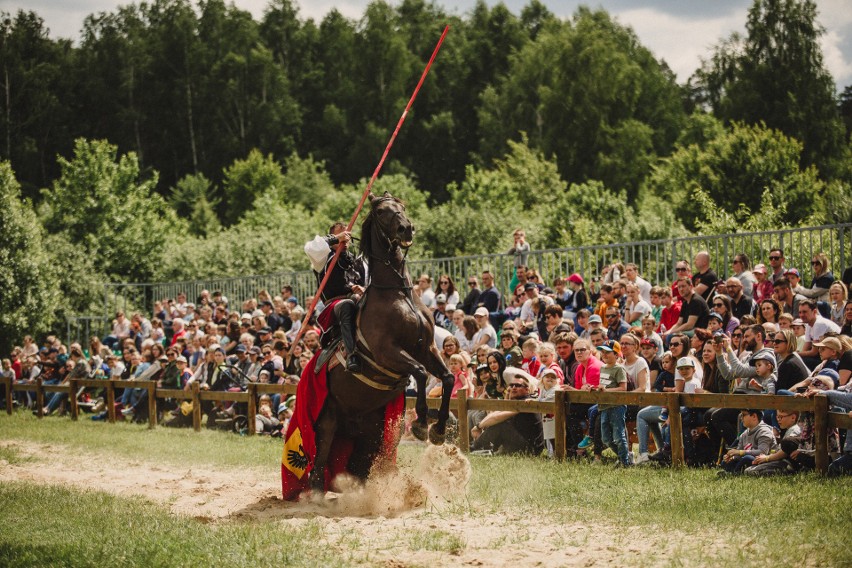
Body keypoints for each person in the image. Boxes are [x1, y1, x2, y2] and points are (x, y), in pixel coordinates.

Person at [304, 222, 366, 373]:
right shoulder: (323, 258)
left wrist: (362, 289)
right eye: (341, 237)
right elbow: (309, 247)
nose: (345, 240)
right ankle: (352, 355)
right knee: (347, 305)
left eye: (347, 237)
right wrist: (336, 238)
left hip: (357, 298)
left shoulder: (355, 260)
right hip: (334, 304)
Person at [470, 374, 544, 455]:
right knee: (499, 423)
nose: (513, 388)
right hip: (523, 443)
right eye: (511, 385)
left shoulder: (526, 402)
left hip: (531, 450)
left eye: (518, 385)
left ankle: (473, 448)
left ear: (527, 390)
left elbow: (496, 418)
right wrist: (478, 426)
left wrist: (478, 426)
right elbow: (495, 414)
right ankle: (481, 448)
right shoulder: (516, 402)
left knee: (501, 424)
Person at [592, 340, 630, 467]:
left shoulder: (619, 369)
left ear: (616, 354)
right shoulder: (603, 367)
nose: (604, 354)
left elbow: (623, 388)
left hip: (616, 407)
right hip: (604, 406)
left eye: (607, 352)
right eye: (602, 352)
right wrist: (596, 388)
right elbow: (604, 386)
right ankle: (624, 456)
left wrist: (606, 390)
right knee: (606, 439)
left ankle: (625, 462)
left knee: (619, 436)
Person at [718, 409, 776, 476]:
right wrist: (732, 457)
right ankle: (733, 472)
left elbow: (763, 452)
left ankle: (733, 473)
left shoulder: (765, 431)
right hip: (749, 461)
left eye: (743, 415)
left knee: (748, 458)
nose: (741, 417)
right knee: (725, 462)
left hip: (764, 462)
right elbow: (739, 452)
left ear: (754, 416)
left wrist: (740, 452)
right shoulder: (745, 433)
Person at [744, 410, 802, 476]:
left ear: (793, 418)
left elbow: (784, 452)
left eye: (781, 417)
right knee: (749, 469)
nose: (778, 420)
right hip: (780, 461)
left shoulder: (794, 430)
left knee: (750, 471)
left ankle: (786, 471)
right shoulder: (789, 429)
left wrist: (767, 458)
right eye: (777, 417)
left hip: (787, 463)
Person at [798, 299, 841, 367]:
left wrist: (794, 354)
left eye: (804, 312)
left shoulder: (819, 323)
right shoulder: (808, 324)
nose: (801, 315)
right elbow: (806, 348)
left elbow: (814, 352)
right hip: (824, 355)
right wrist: (796, 355)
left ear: (814, 311)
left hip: (835, 357)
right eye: (800, 312)